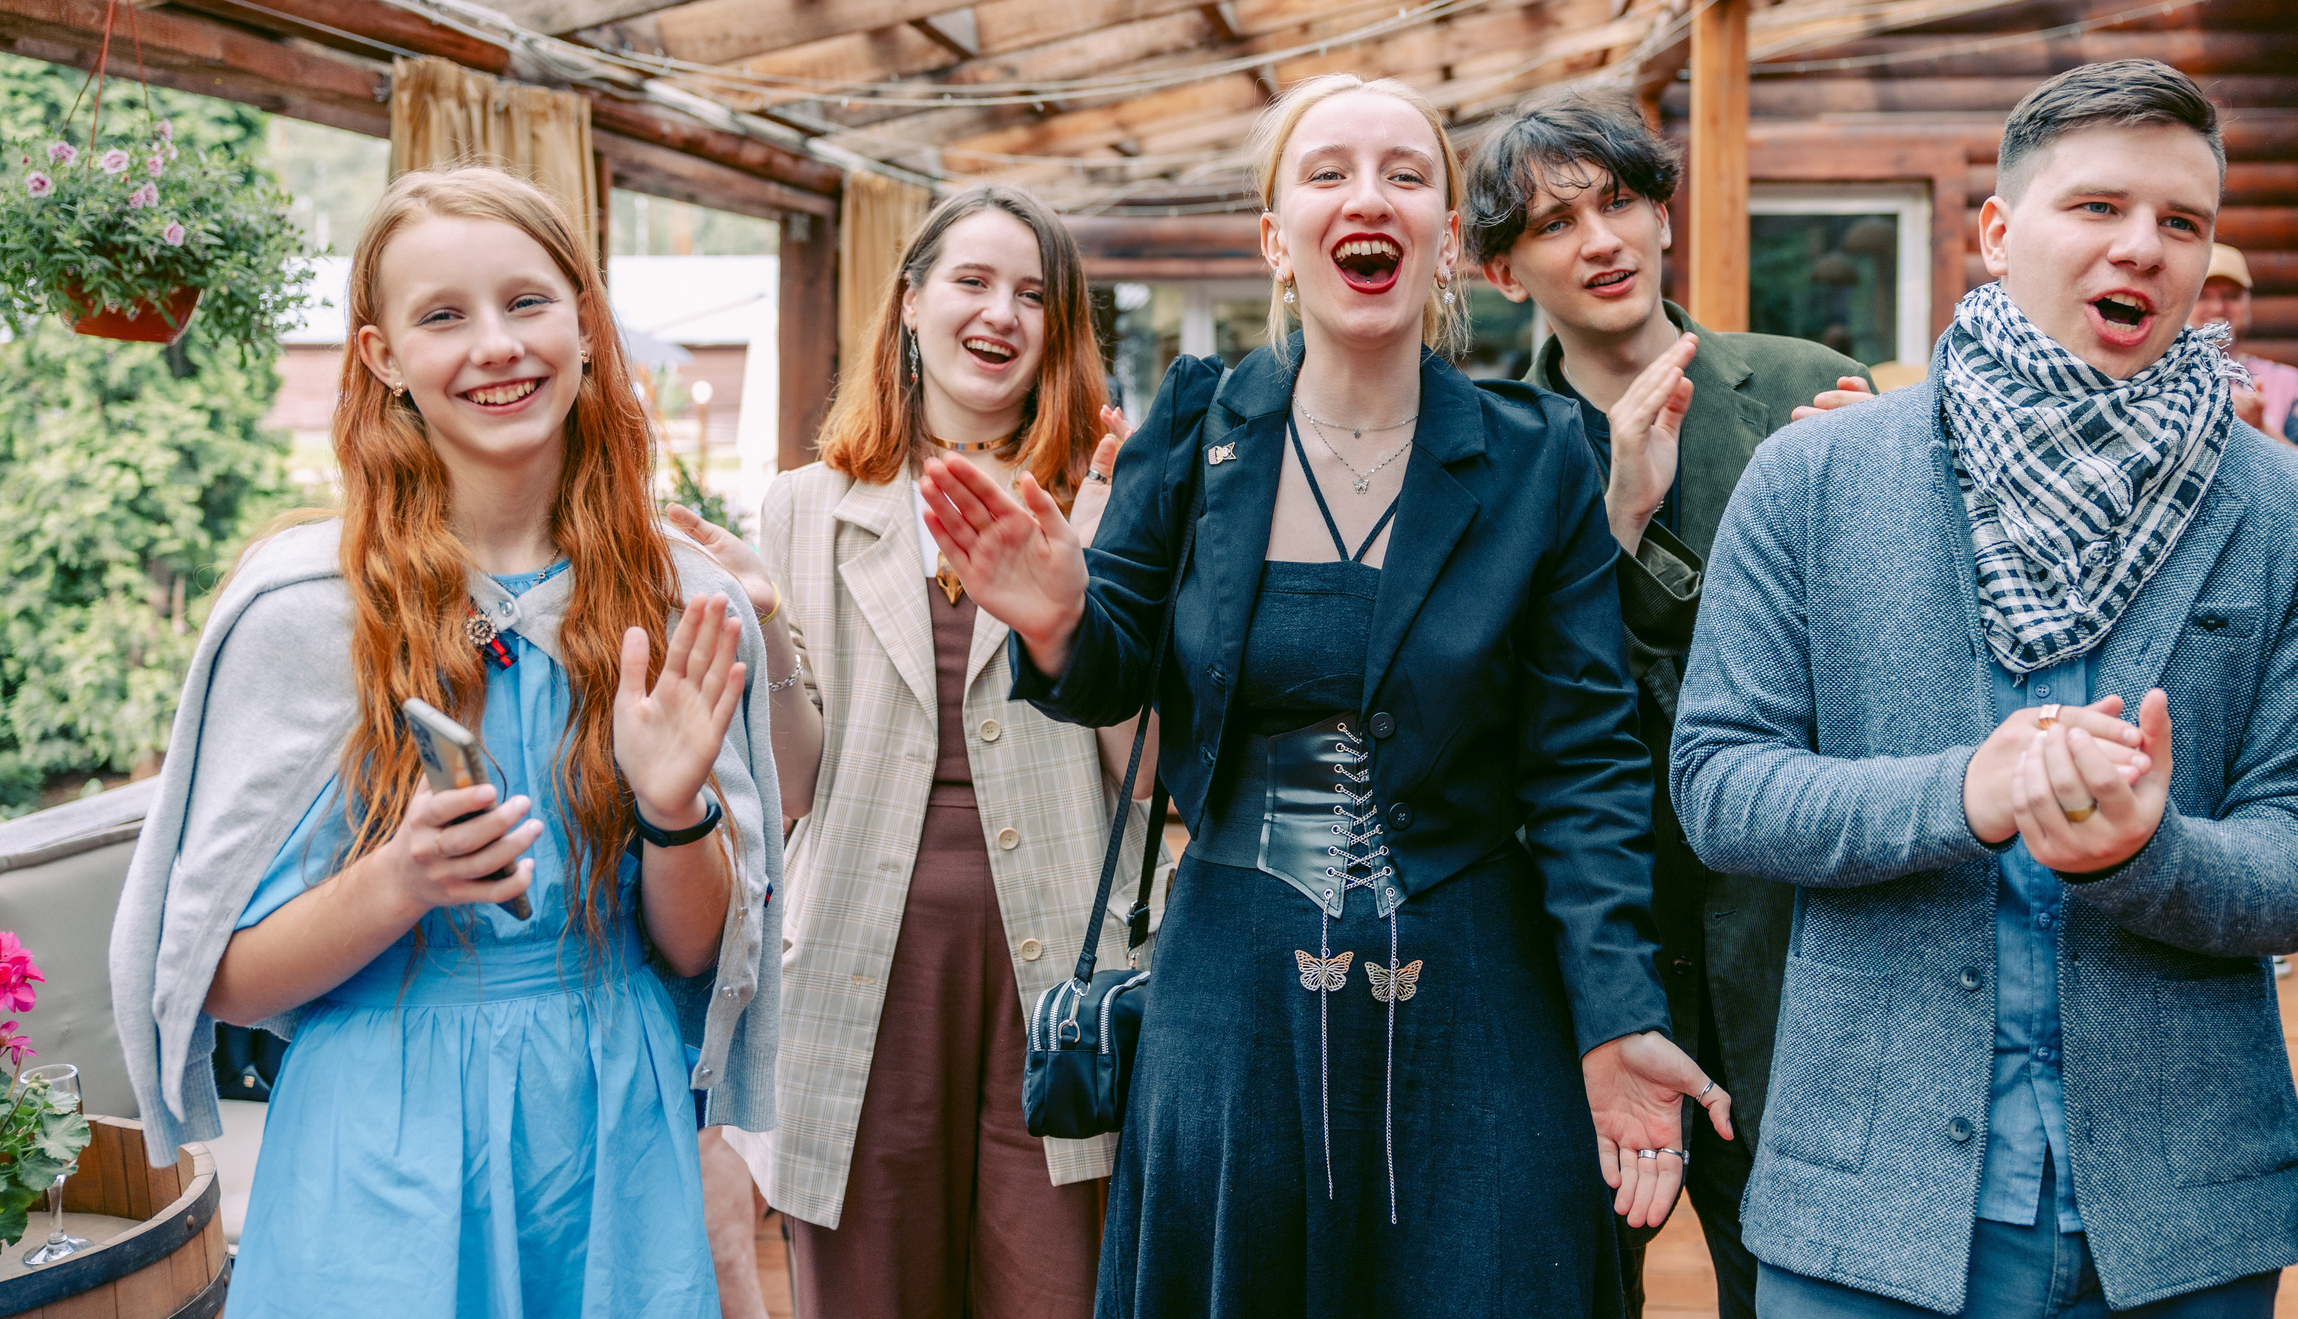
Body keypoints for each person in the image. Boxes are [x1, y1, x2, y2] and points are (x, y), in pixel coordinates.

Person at [922, 73, 1729, 1319]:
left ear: (1445, 239)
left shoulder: (1534, 457)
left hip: (1479, 1001)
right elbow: (1112, 666)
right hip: (1231, 1003)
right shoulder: (1196, 430)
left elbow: (1586, 764)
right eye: (1328, 172)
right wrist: (1059, 617)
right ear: (1274, 237)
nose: (1370, 198)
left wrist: (1616, 1014)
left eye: (1406, 175)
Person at [1670, 60, 2298, 1318]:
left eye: (2181, 221)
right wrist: (1959, 794)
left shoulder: (2291, 512)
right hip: (1866, 1206)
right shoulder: (1812, 477)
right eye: (2097, 207)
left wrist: (2148, 854)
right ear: (1997, 232)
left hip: (2183, 1221)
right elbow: (1718, 786)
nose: (2141, 247)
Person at [109, 165, 787, 1318]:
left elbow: (698, 958)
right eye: (442, 316)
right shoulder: (301, 615)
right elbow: (219, 979)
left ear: (586, 319)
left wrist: (674, 812)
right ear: (381, 357)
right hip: (377, 1154)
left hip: (611, 1143)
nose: (496, 346)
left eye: (527, 301)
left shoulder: (682, 602)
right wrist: (401, 882)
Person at [1463, 87, 1870, 1319]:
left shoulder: (1807, 391)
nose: (1600, 240)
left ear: (1661, 217)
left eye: (1619, 202)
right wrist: (1613, 525)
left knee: (1797, 1291)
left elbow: (1889, 665)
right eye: (1554, 223)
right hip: (1583, 964)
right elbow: (1485, 712)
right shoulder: (1483, 451)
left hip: (1789, 951)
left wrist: (1894, 507)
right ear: (1501, 271)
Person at [723, 184, 1146, 1319]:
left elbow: (1151, 780)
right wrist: (766, 628)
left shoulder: (1109, 501)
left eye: (1033, 295)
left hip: (1062, 979)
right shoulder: (806, 508)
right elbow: (795, 786)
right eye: (972, 281)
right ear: (910, 303)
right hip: (858, 971)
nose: (1001, 313)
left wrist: (1085, 602)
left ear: (1060, 330)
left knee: (1058, 1291)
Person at [2189, 243, 2298, 465]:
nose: (2218, 307)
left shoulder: (2289, 382)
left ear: (2248, 303)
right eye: (2202, 295)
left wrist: (2261, 430)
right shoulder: (2158, 378)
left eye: (2231, 296)